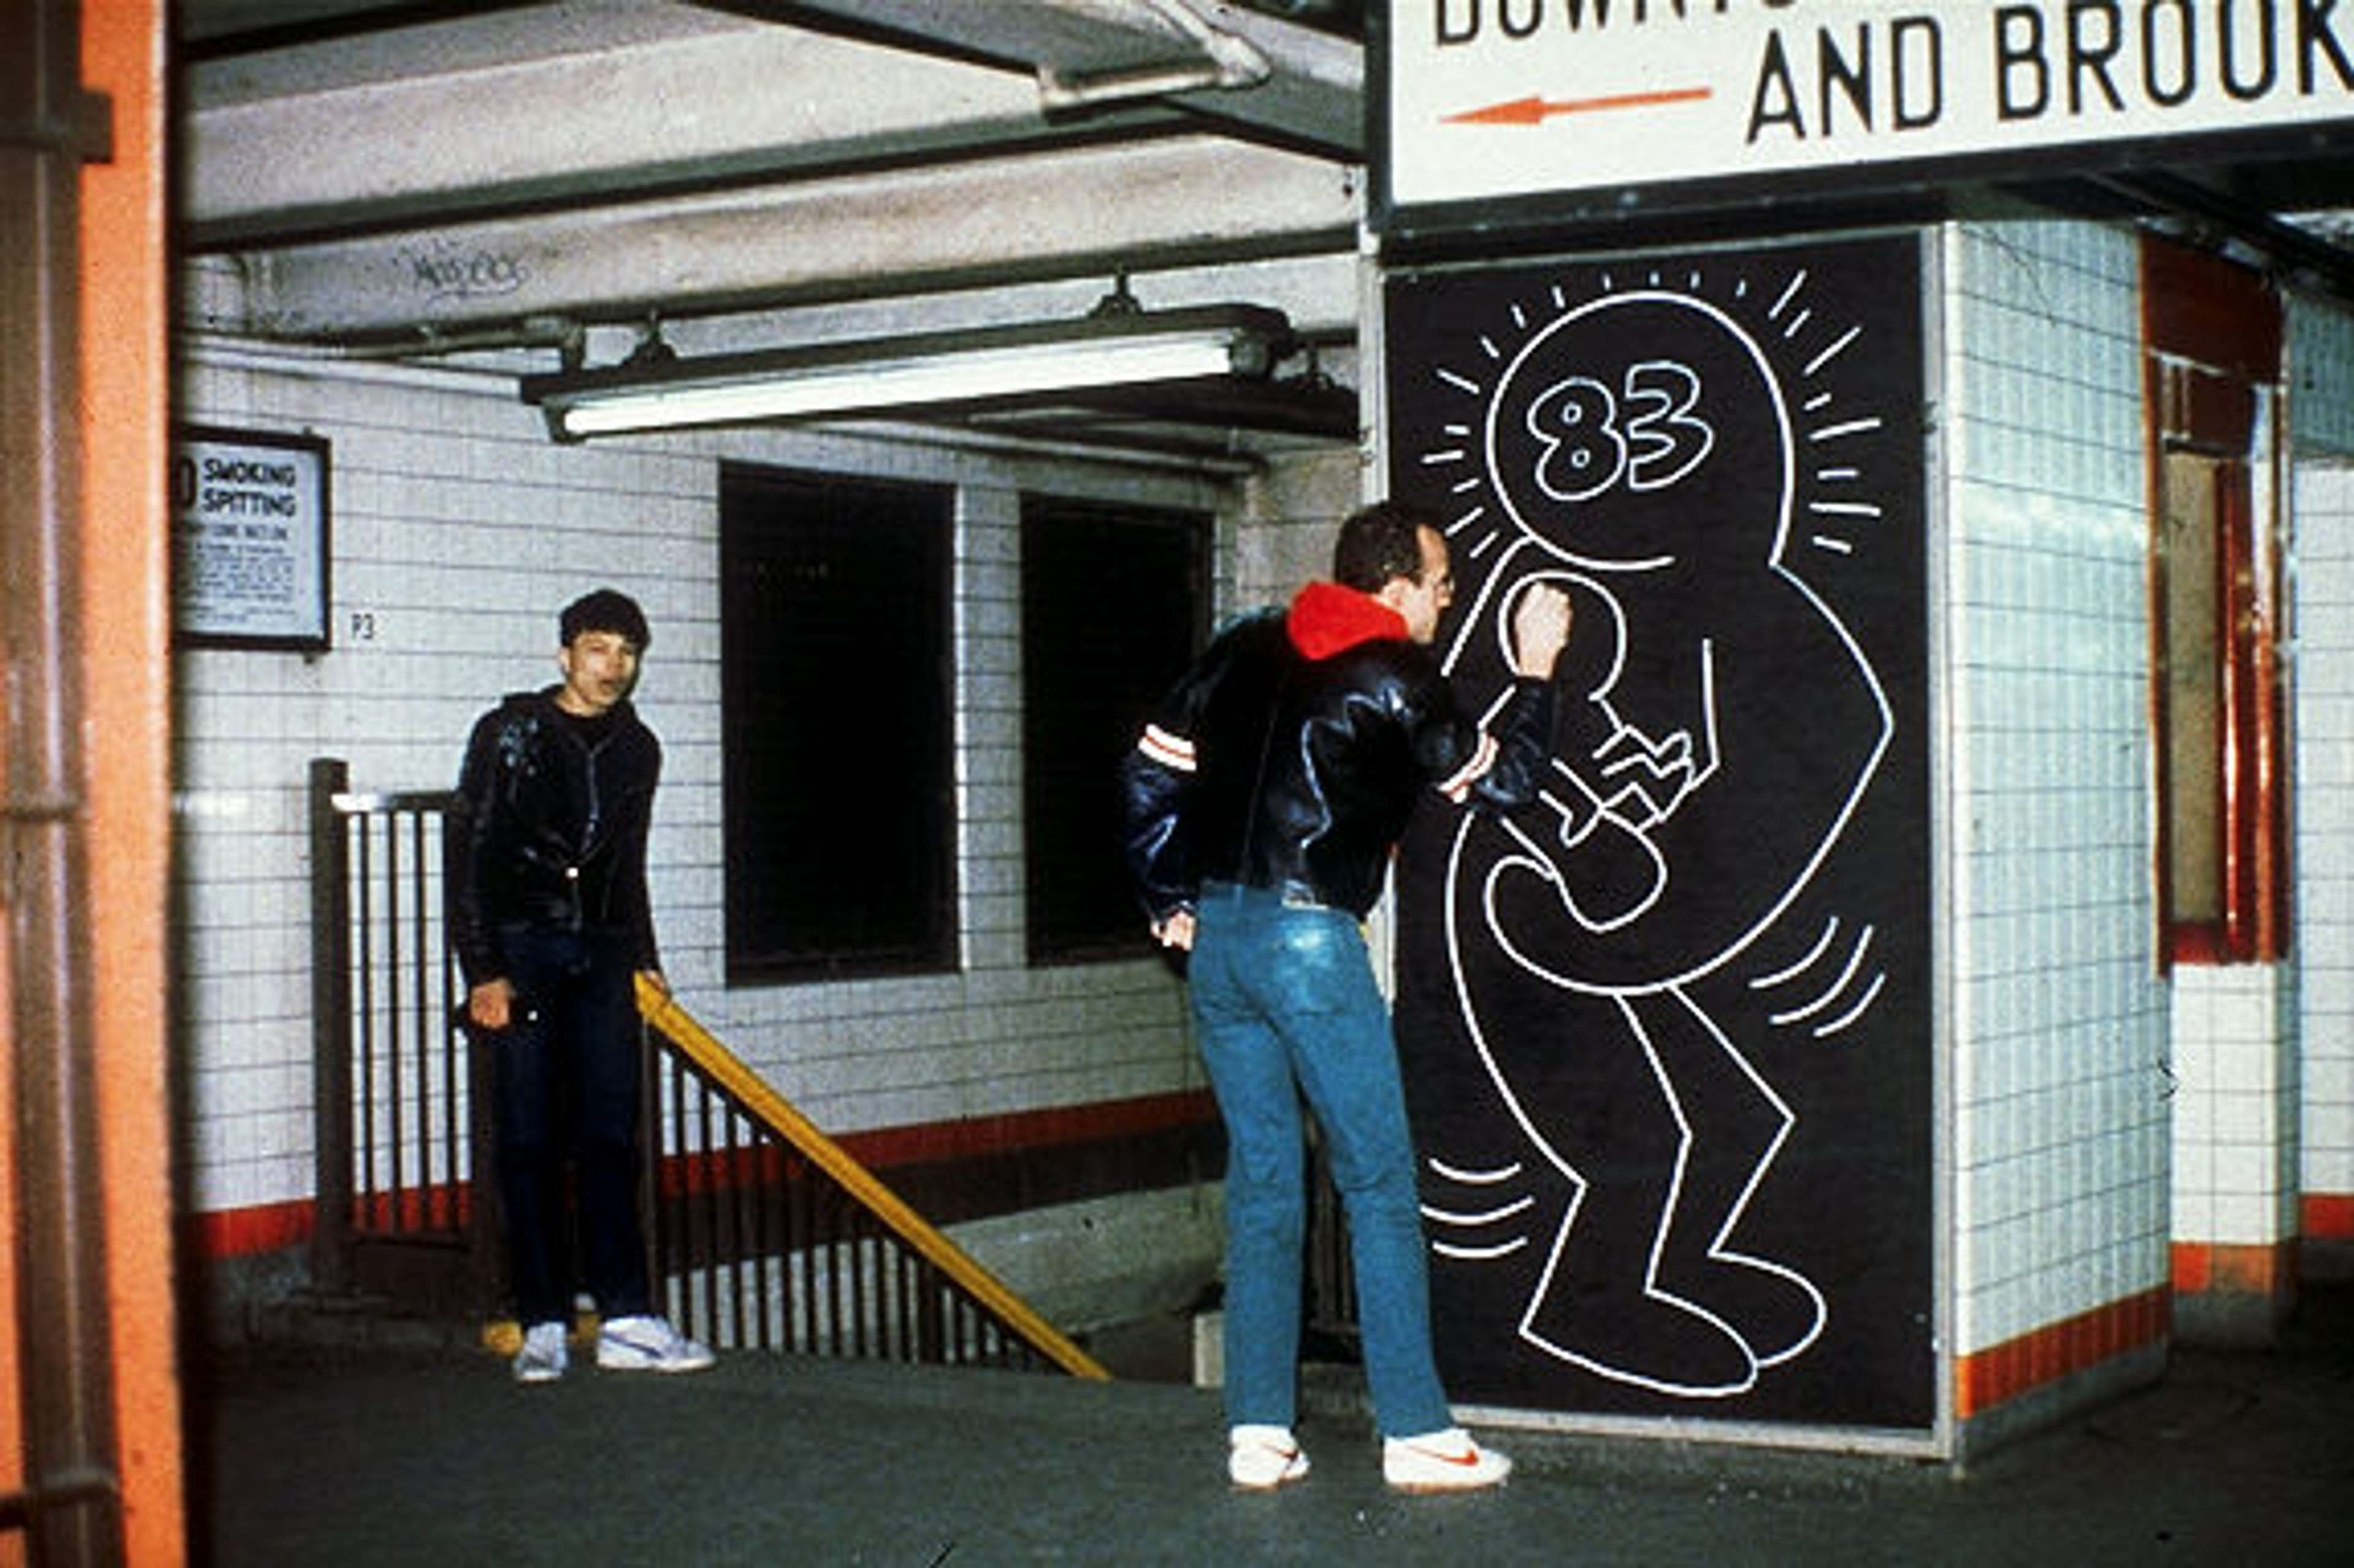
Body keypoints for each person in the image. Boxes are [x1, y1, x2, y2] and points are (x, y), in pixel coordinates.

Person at [1121, 500, 1572, 1491]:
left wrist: (1167, 895)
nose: (1451, 598)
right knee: (1376, 1183)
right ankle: (1415, 1431)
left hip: (1222, 946)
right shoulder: (1400, 674)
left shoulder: (1244, 647)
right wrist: (1537, 669)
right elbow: (1509, 784)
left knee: (1266, 1185)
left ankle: (1258, 1431)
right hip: (1311, 943)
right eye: (1443, 581)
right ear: (1399, 587)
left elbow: (1148, 771)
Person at [450, 587, 715, 1384]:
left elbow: (626, 861)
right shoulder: (510, 732)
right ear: (565, 653)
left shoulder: (639, 747)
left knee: (612, 1133)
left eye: (627, 652)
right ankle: (542, 1320)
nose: (614, 666)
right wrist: (483, 969)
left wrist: (644, 954)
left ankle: (629, 1313)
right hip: (524, 950)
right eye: (598, 648)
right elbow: (470, 851)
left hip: (600, 953)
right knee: (527, 1136)